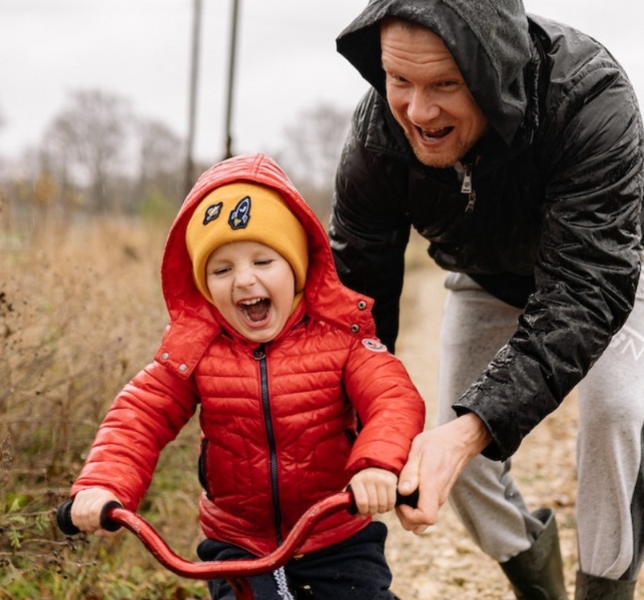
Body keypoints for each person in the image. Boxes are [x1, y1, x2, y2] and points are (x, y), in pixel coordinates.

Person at [330, 2, 644, 598]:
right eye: (399, 81)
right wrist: (351, 426)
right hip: (487, 273)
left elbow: (586, 286)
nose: (418, 110)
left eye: (445, 84)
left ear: (494, 71)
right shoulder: (377, 140)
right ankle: (536, 582)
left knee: (613, 410)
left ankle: (606, 589)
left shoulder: (589, 95)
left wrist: (473, 428)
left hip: (616, 259)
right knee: (454, 451)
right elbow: (357, 303)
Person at [68, 153, 426, 599]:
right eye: (222, 269)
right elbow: (138, 416)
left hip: (335, 534)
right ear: (204, 285)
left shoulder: (340, 338)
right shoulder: (194, 351)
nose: (243, 281)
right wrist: (103, 483)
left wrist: (376, 464)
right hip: (236, 541)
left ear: (296, 265)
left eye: (263, 261)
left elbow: (394, 398)